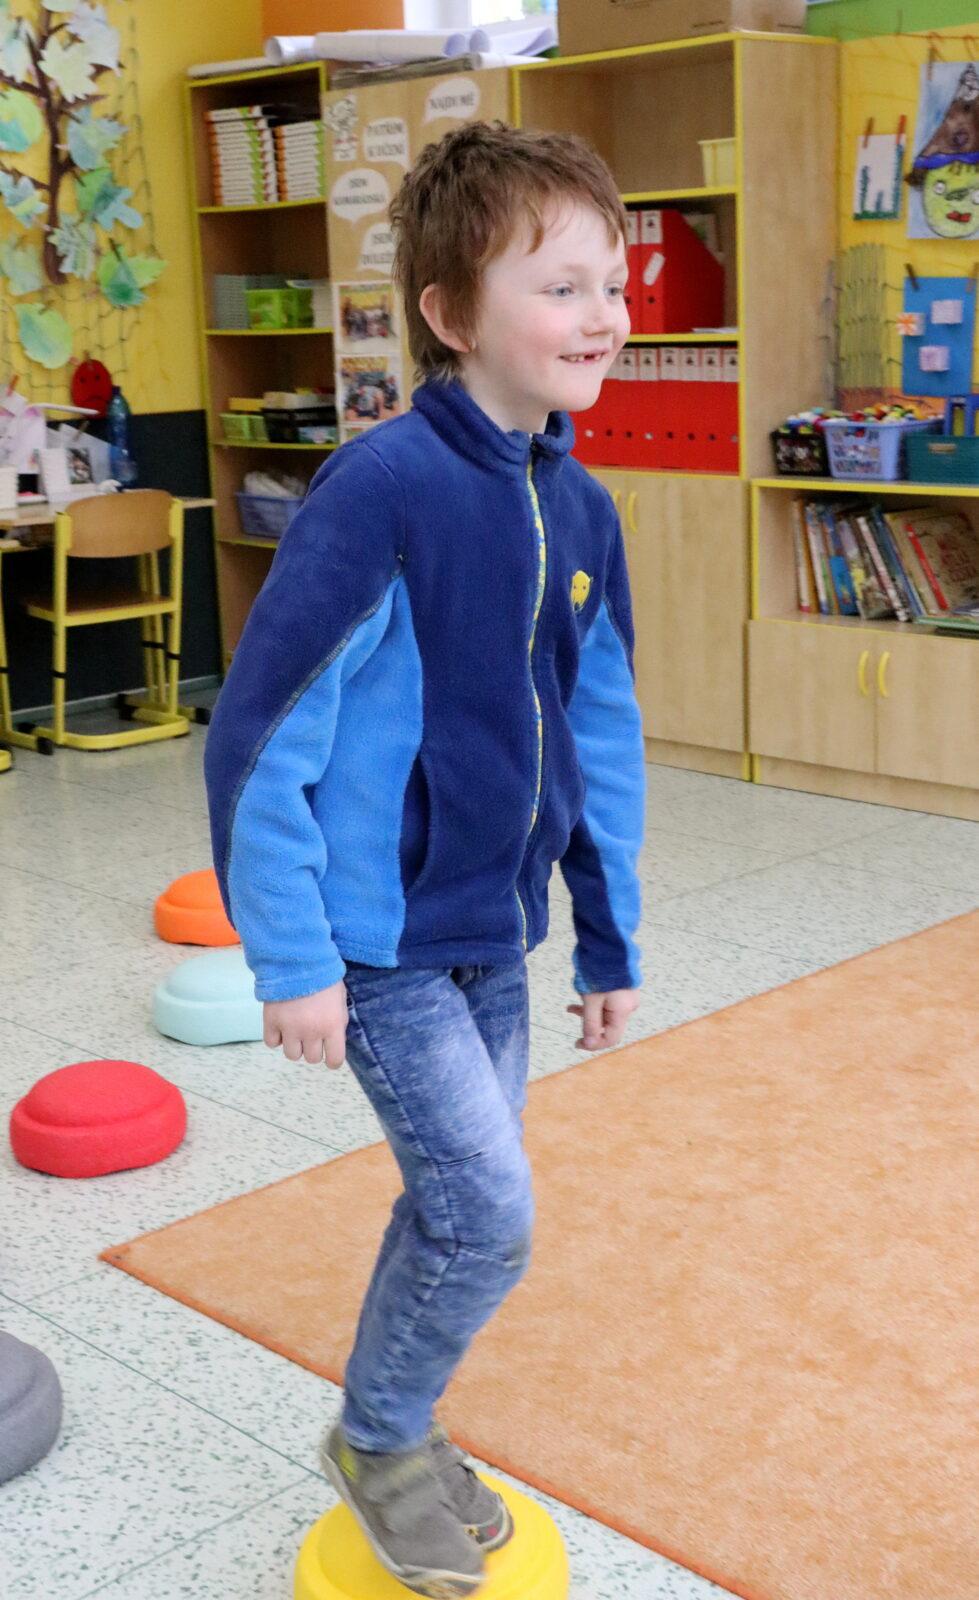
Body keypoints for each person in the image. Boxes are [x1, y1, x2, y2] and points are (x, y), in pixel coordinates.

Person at [204, 120, 646, 1599]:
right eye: (562, 287)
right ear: (452, 313)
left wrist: (608, 936)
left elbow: (599, 737)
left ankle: (397, 1420)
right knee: (490, 1213)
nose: (604, 315)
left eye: (613, 284)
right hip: (379, 946)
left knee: (453, 1203)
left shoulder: (582, 507)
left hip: (492, 938)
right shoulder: (381, 489)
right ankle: (383, 1437)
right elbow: (259, 735)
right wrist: (291, 956)